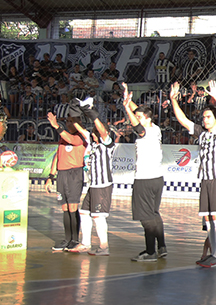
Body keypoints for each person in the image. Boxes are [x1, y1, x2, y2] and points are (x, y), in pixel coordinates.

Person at [170, 79, 216, 268]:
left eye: (208, 117)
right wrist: (173, 100)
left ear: (215, 119)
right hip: (205, 179)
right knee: (209, 218)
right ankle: (213, 253)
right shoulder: (201, 133)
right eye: (203, 117)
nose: (204, 120)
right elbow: (182, 120)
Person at [122, 84, 166, 261]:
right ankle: (161, 246)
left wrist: (126, 107)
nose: (136, 118)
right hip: (157, 178)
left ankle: (150, 252)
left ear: (146, 119)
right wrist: (129, 100)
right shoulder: (155, 128)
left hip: (145, 179)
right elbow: (140, 113)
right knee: (154, 214)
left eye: (139, 117)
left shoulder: (145, 131)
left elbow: (138, 127)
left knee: (145, 217)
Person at [68, 103, 114, 256]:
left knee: (98, 217)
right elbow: (78, 126)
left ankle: (104, 247)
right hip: (92, 185)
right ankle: (86, 243)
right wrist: (74, 110)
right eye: (94, 133)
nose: (94, 134)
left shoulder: (107, 145)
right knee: (84, 212)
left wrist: (92, 114)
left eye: (97, 133)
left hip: (102, 185)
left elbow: (102, 131)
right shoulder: (92, 144)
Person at [45, 107, 87, 252]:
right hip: (62, 174)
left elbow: (72, 140)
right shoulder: (63, 137)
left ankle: (75, 239)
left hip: (74, 173)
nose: (69, 124)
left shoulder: (81, 136)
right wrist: (51, 176)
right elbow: (57, 156)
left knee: (73, 206)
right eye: (67, 121)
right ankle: (67, 238)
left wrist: (57, 126)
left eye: (72, 121)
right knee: (64, 207)